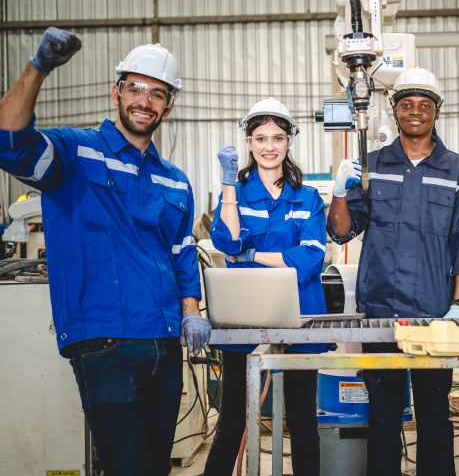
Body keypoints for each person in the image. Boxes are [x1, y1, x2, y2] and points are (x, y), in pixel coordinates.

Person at [0, 27, 210, 475]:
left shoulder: (175, 180)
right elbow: (9, 142)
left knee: (156, 468)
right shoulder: (76, 154)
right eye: (135, 88)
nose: (144, 101)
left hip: (163, 342)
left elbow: (181, 251)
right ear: (116, 92)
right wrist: (38, 67)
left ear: (169, 105)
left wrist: (191, 310)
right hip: (105, 341)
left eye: (157, 93)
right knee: (127, 467)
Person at [327, 67, 459, 476]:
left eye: (424, 105)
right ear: (395, 110)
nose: (415, 111)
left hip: (435, 313)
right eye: (407, 104)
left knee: (434, 416)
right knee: (382, 416)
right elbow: (342, 231)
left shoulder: (458, 170)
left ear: (437, 111)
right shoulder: (373, 165)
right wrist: (339, 192)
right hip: (381, 313)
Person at [204, 97, 328, 476]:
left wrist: (253, 254)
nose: (269, 146)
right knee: (232, 419)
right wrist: (228, 185)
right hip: (245, 314)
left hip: (300, 314)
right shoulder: (237, 193)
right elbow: (227, 242)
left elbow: (309, 258)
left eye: (277, 138)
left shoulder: (307, 197)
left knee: (303, 420)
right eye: (260, 138)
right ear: (249, 142)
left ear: (289, 141)